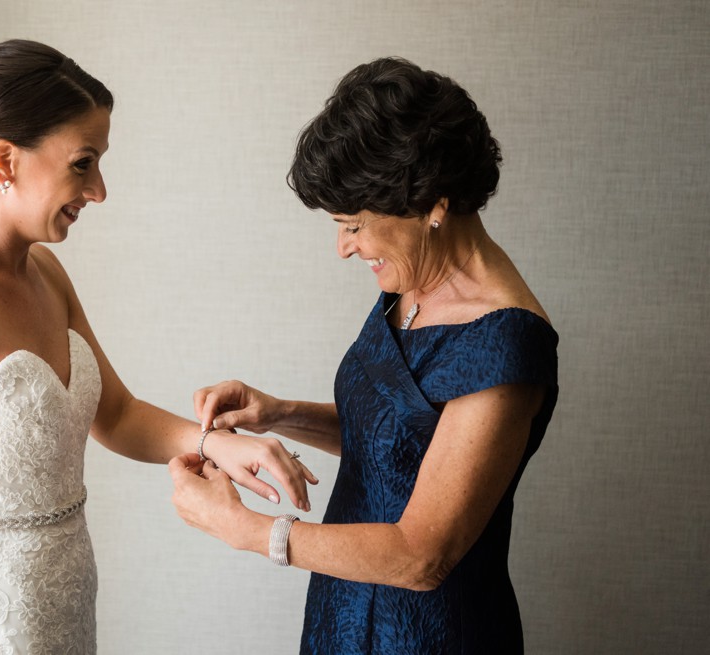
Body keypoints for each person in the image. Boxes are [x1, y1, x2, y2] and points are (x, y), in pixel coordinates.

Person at [0, 39, 316, 655]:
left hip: (69, 609)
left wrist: (220, 445)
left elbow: (117, 415)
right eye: (82, 163)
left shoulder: (46, 272)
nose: (98, 190)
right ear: (6, 162)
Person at [169, 57, 558, 654]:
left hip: (427, 633)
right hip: (344, 607)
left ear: (431, 203)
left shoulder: (505, 343)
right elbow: (399, 444)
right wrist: (278, 413)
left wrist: (246, 531)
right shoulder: (410, 282)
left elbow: (423, 556)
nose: (343, 248)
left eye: (354, 226)